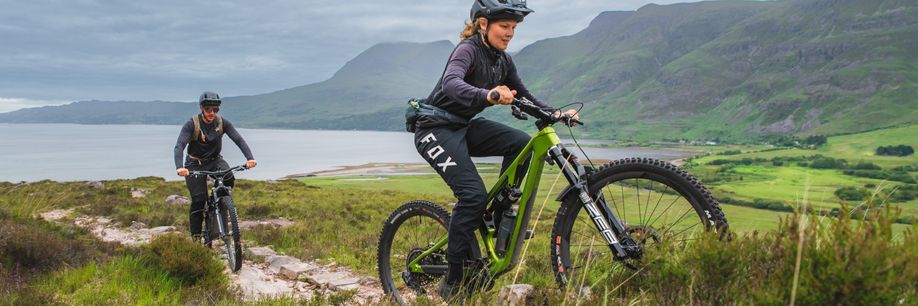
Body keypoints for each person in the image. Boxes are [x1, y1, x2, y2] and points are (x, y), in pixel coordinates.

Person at [412, 0, 580, 299]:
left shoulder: (503, 60)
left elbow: (525, 96)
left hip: (462, 125)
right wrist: (487, 94)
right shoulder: (467, 50)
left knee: (519, 143)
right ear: (483, 25)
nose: (510, 33)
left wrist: (555, 113)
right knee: (473, 195)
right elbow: (451, 84)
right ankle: (452, 280)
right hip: (434, 128)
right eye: (505, 26)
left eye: (514, 28)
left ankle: (500, 214)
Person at [174, 91, 257, 242]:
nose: (212, 113)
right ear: (201, 109)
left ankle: (220, 203)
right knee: (199, 200)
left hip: (215, 160)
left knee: (229, 178)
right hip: (194, 163)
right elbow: (179, 145)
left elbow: (238, 139)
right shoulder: (192, 124)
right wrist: (180, 167)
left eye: (215, 109)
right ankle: (196, 237)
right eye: (208, 110)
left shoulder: (222, 123)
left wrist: (250, 158)